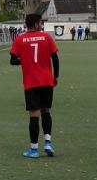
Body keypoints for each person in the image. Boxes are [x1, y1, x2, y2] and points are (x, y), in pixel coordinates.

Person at [10, 13, 60, 158]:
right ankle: (48, 142)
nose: (41, 25)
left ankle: (33, 150)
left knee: (34, 115)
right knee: (46, 111)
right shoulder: (46, 37)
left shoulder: (19, 39)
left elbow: (13, 61)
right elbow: (55, 58)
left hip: (31, 82)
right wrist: (55, 76)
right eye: (40, 22)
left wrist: (24, 60)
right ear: (37, 24)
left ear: (26, 24)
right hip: (46, 80)